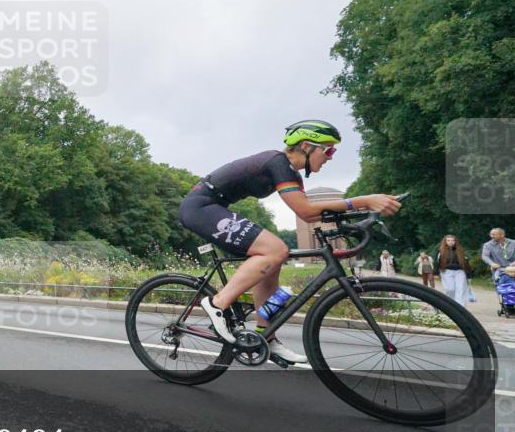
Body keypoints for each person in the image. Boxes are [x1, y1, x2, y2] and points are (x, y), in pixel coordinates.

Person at [178, 119, 401, 363]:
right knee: (275, 249)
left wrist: (356, 215)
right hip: (200, 208)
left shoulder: (291, 174)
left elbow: (312, 213)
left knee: (275, 263)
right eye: (328, 150)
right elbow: (305, 210)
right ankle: (217, 302)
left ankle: (267, 335)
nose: (331, 157)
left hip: (214, 207)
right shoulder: (278, 163)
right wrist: (363, 201)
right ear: (306, 146)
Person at [435, 235, 472, 307]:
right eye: (448, 240)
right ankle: (451, 305)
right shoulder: (440, 251)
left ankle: (460, 306)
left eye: (452, 240)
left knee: (460, 289)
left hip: (460, 271)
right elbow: (436, 262)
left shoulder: (461, 250)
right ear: (445, 242)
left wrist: (469, 274)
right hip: (446, 271)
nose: (450, 242)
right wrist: (435, 272)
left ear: (455, 241)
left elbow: (466, 262)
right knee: (449, 289)